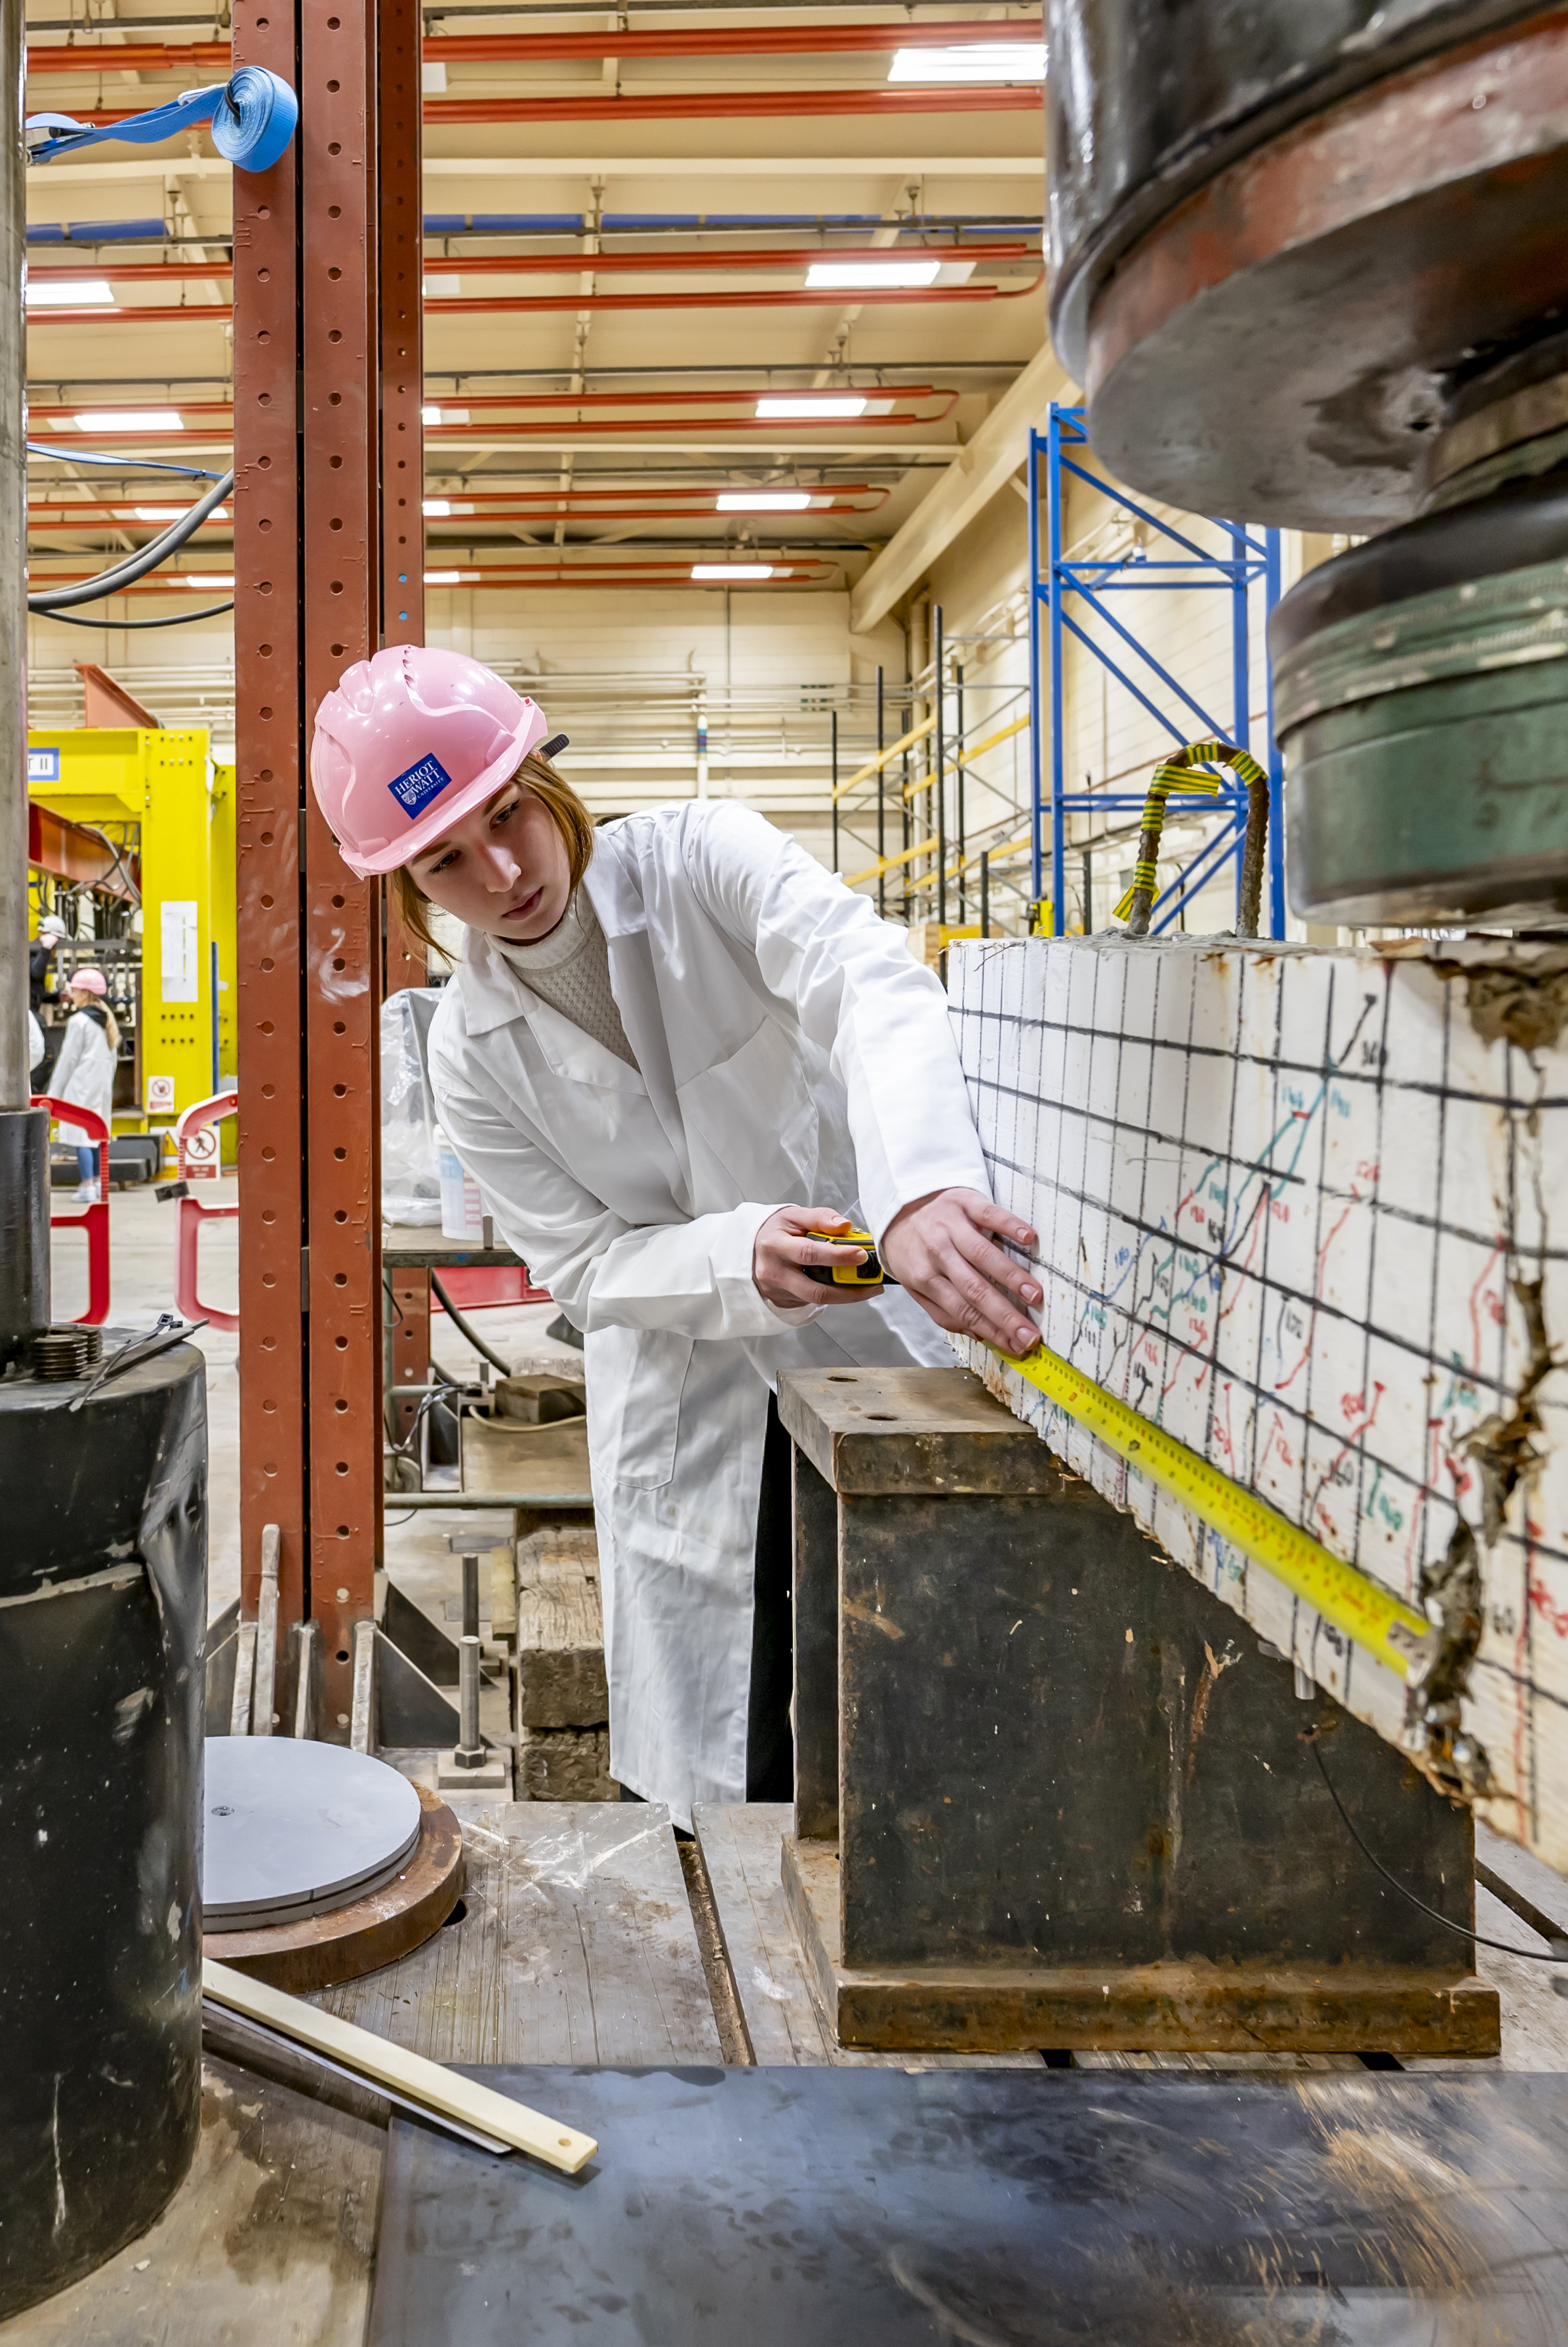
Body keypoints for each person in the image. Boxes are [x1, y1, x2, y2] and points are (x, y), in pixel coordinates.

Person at [310, 646, 1043, 1830]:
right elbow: (585, 1265)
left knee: (920, 1707)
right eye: (445, 859)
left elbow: (864, 977)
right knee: (732, 1762)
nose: (503, 873)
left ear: (548, 779)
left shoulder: (703, 859)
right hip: (690, 1400)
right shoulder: (469, 1056)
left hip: (880, 1335)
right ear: (404, 883)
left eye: (508, 816)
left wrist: (918, 1192)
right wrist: (734, 1258)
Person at [48, 964, 119, 1128]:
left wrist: (53, 1097)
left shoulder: (78, 1022)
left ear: (86, 993)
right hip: (100, 1093)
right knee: (97, 1135)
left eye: (74, 991)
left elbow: (68, 1061)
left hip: (79, 1095)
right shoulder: (108, 1022)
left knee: (80, 1136)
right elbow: (113, 1061)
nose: (72, 996)